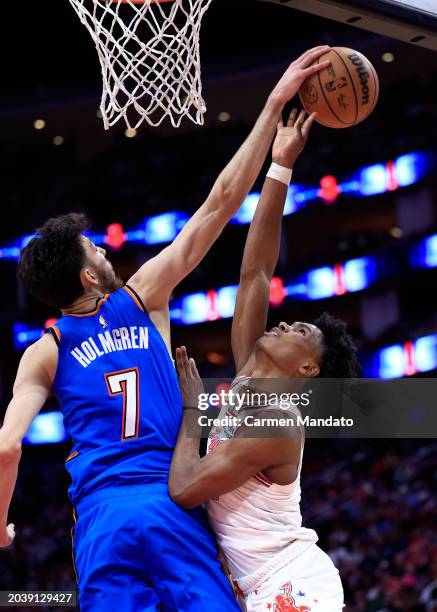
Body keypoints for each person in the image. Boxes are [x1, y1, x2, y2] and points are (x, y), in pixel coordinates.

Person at [0, 47, 332, 611]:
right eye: (96, 248)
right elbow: (221, 202)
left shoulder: (44, 351)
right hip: (169, 500)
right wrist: (274, 103)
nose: (105, 248)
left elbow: (7, 445)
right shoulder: (142, 296)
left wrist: (0, 525)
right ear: (89, 274)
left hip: (101, 517)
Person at [169, 108, 360, 611]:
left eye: (299, 331)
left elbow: (186, 489)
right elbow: (256, 271)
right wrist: (280, 165)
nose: (283, 322)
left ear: (307, 370)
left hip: (290, 581)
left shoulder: (277, 421)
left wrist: (194, 409)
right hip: (252, 584)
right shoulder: (250, 375)